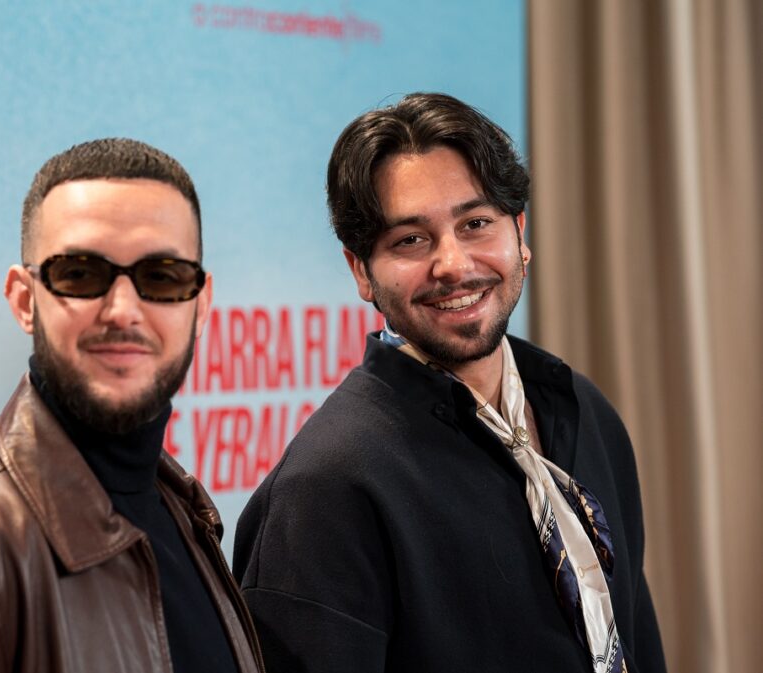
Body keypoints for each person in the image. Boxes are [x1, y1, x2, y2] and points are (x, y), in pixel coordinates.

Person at [233, 93, 667, 673]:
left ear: (519, 233)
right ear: (361, 270)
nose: (454, 264)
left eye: (476, 224)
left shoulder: (584, 409)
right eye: (410, 240)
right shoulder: (324, 490)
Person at [0, 139, 263, 673]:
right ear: (23, 300)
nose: (123, 310)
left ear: (200, 305)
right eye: (80, 274)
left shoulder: (182, 511)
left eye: (162, 277)